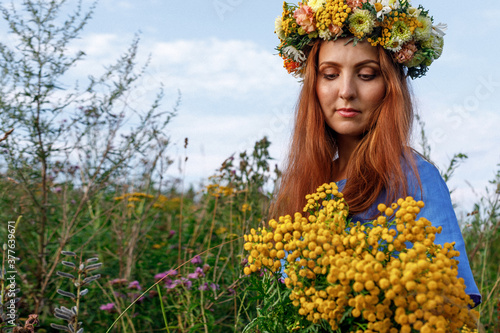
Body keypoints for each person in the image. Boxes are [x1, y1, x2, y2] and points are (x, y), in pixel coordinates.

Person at [271, 0, 481, 307]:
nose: (346, 91)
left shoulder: (415, 177)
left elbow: (455, 305)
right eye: (330, 74)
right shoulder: (307, 182)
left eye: (366, 74)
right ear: (313, 85)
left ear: (390, 87)